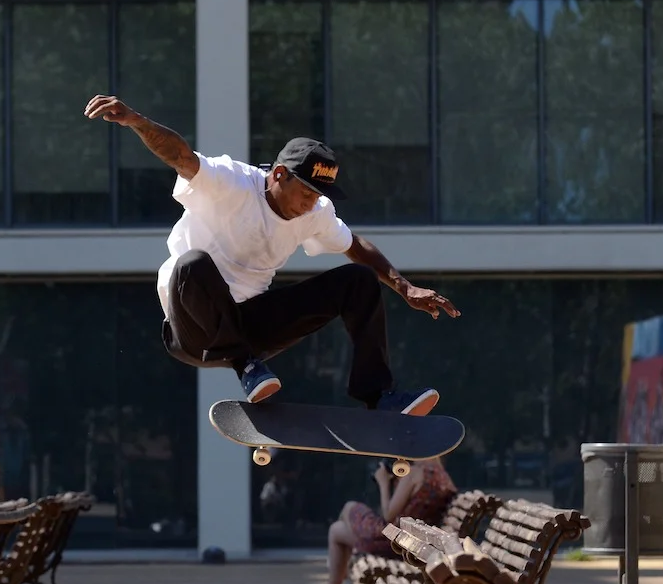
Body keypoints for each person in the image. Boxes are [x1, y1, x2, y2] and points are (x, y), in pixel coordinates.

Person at [83, 95, 460, 410]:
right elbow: (181, 156)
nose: (312, 205)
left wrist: (405, 288)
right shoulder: (232, 182)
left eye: (319, 197)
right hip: (194, 331)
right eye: (307, 193)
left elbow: (355, 245)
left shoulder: (315, 214)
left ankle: (378, 395)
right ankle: (244, 366)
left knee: (358, 281)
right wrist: (136, 121)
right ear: (279, 174)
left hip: (251, 327)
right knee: (193, 263)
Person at [299, 457, 458, 584]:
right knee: (336, 529)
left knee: (350, 507)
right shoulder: (443, 476)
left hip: (393, 541)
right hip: (411, 543)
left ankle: (338, 583)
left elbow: (388, 514)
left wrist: (383, 483)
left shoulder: (415, 473)